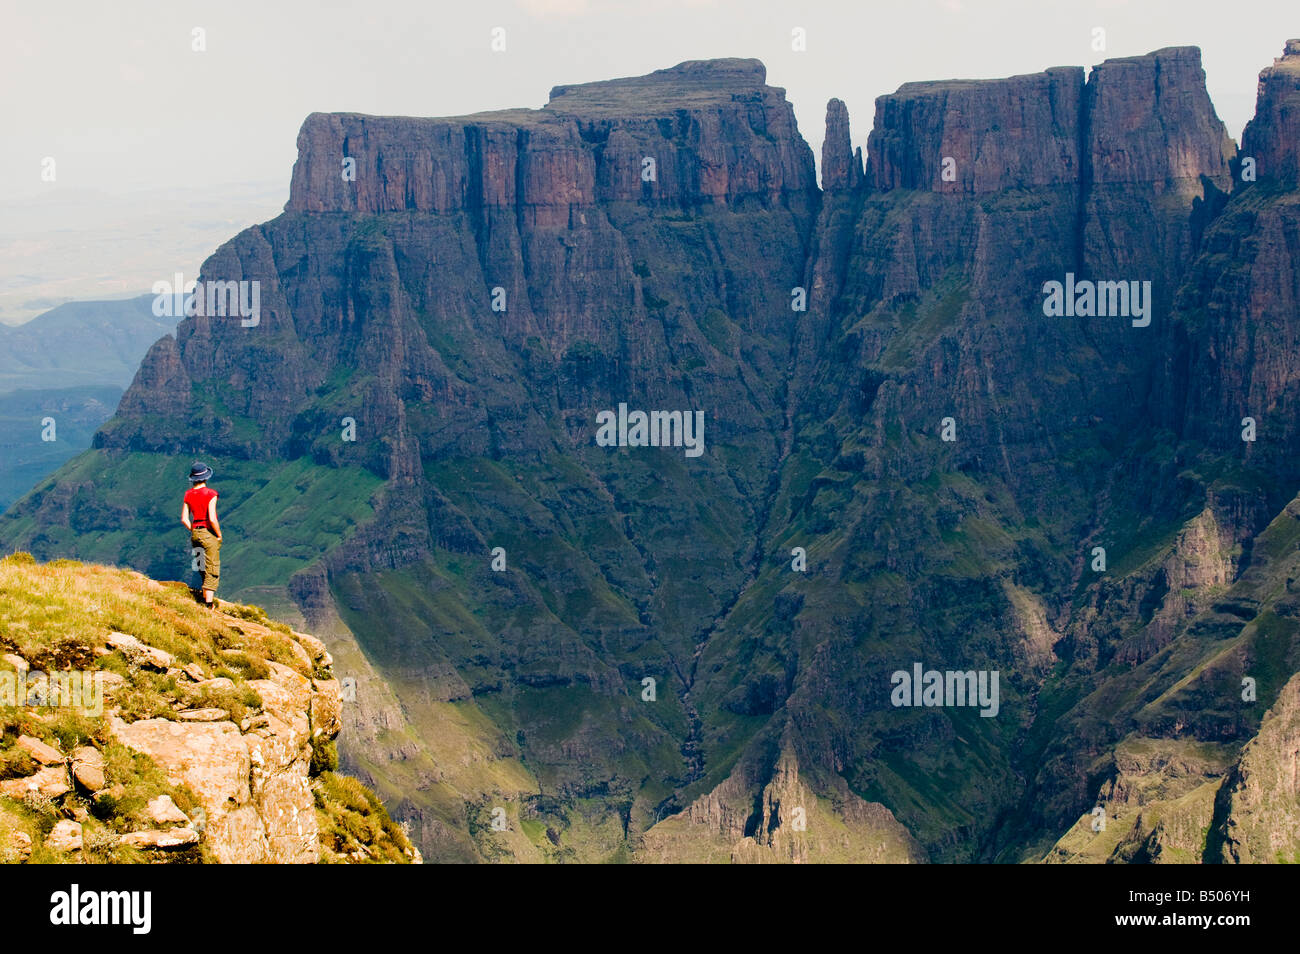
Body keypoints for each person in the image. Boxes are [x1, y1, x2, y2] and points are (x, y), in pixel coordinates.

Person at [181, 462, 222, 609]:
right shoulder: (211, 494)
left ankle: (204, 599)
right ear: (206, 477)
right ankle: (208, 604)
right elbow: (212, 518)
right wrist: (218, 535)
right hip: (207, 534)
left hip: (195, 534)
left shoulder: (188, 494)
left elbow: (184, 519)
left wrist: (194, 529)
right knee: (212, 567)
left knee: (201, 565)